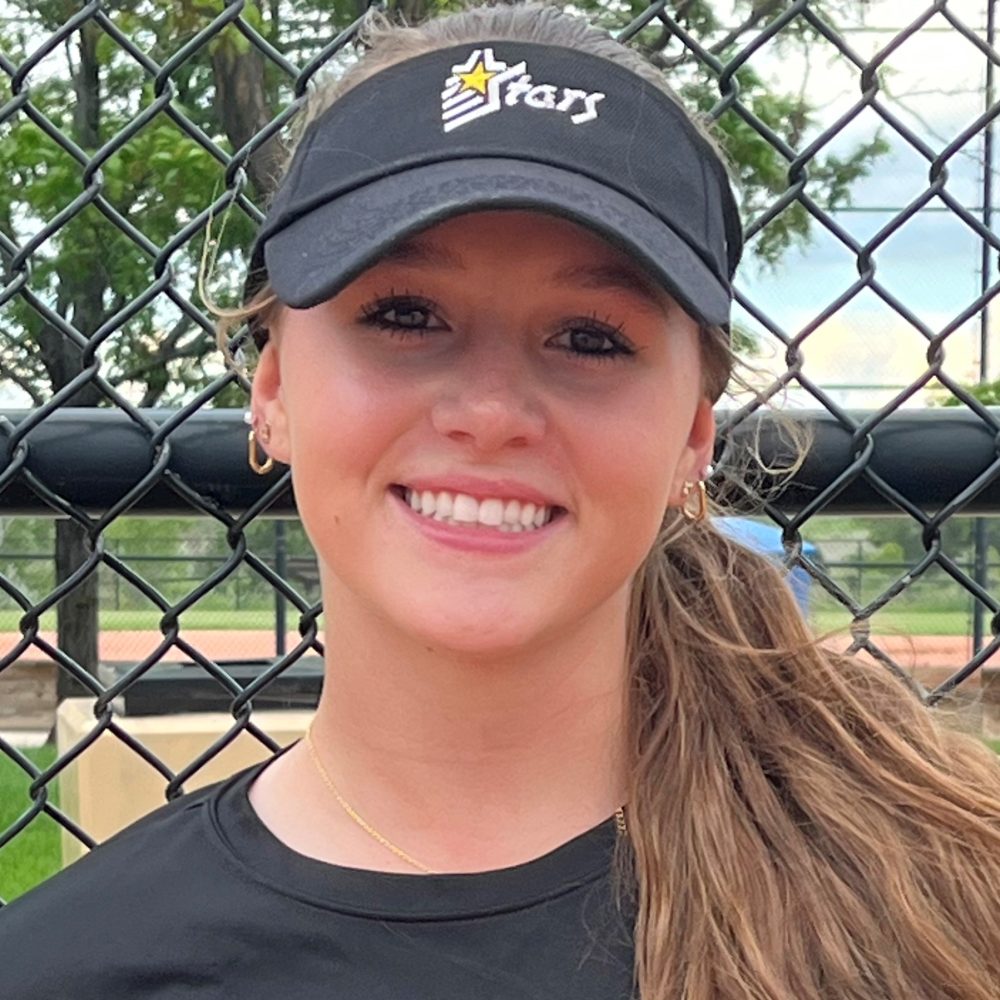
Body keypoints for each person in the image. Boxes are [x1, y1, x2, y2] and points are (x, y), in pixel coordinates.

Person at [3, 3, 1000, 998]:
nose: (488, 413)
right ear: (272, 392)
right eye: (404, 315)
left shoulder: (940, 909)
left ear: (693, 436)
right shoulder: (65, 965)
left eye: (590, 337)